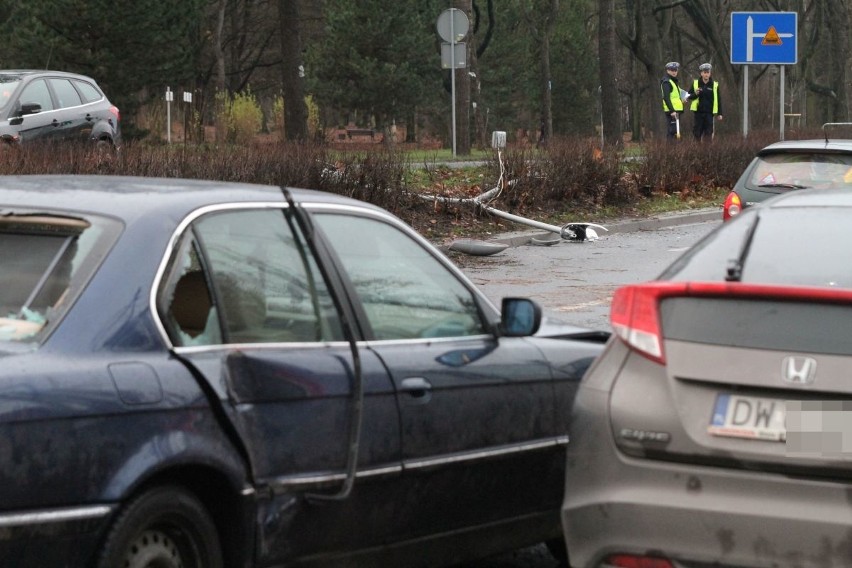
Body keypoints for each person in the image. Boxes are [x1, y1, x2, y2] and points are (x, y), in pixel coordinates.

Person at [687, 62, 723, 141]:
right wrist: (695, 94)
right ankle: (697, 151)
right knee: (697, 133)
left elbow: (718, 99)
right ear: (701, 73)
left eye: (708, 72)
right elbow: (689, 96)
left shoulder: (714, 85)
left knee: (708, 133)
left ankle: (707, 151)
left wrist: (720, 113)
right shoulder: (696, 83)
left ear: (710, 74)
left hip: (709, 113)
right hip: (698, 113)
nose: (706, 74)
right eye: (704, 72)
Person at [660, 61, 685, 140]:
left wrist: (689, 96)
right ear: (667, 70)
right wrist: (672, 111)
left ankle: (675, 151)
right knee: (672, 132)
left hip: (676, 111)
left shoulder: (673, 81)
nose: (674, 72)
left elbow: (681, 94)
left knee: (675, 132)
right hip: (672, 112)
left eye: (675, 70)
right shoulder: (667, 82)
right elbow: (666, 98)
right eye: (672, 70)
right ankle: (670, 151)